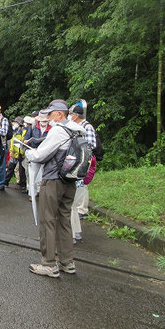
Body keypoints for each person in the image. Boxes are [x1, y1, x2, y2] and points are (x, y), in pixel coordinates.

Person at [25, 99, 86, 278]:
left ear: (60, 114)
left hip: (53, 180)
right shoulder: (78, 130)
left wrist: (29, 152)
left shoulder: (59, 131)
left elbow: (41, 154)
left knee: (48, 220)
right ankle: (68, 262)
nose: (48, 117)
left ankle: (49, 263)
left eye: (50, 114)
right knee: (64, 220)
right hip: (70, 181)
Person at [68, 104, 97, 243]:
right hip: (77, 166)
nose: (70, 116)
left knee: (76, 196)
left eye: (72, 114)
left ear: (77, 115)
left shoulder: (87, 127)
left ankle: (74, 231)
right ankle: (76, 232)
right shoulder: (75, 127)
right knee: (73, 201)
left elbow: (91, 145)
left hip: (83, 166)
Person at [5, 117, 27, 191]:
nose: (13, 124)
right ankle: (6, 182)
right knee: (10, 168)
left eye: (15, 122)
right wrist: (11, 150)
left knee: (21, 170)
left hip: (21, 153)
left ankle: (22, 184)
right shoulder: (14, 131)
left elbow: (22, 142)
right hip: (14, 152)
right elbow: (12, 142)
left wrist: (21, 152)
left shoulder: (23, 132)